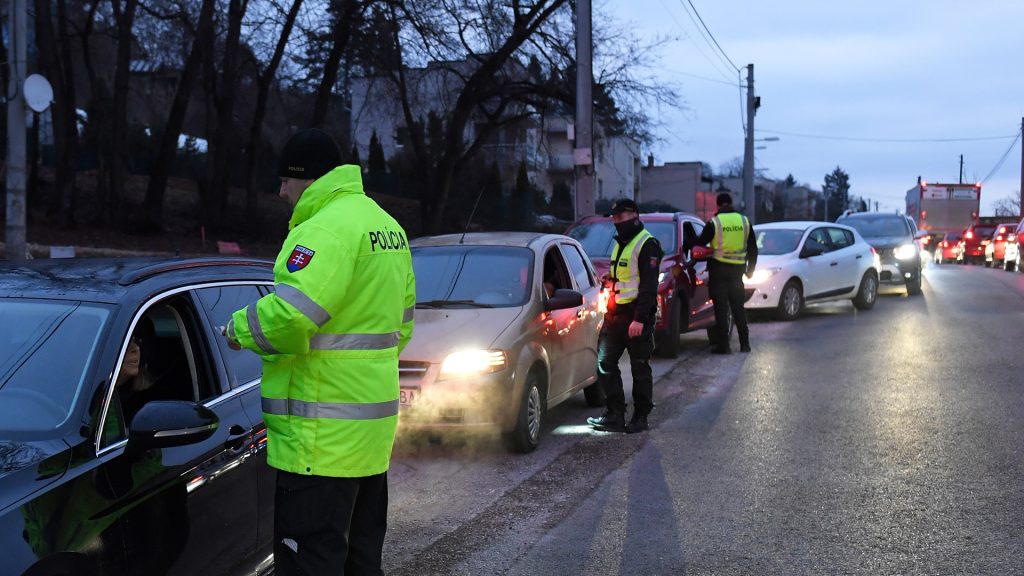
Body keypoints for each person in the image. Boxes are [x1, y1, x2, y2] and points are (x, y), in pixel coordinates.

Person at [223, 128, 416, 575]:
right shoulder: (388, 229)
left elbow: (290, 319)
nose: (280, 191)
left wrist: (237, 329)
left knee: (310, 565)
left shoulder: (325, 230)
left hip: (319, 446)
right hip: (368, 444)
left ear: (304, 178)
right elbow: (401, 329)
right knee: (360, 562)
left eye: (284, 181)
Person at [586, 198, 663, 434]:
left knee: (640, 367)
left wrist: (639, 319)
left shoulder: (647, 244)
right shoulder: (621, 243)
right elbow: (625, 275)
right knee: (605, 362)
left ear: (634, 216)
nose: (617, 222)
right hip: (615, 313)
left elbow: (649, 286)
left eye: (621, 218)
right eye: (615, 219)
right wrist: (611, 281)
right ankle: (614, 414)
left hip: (635, 315)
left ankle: (641, 417)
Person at [685, 192, 758, 354]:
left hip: (719, 272)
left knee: (721, 309)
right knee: (738, 308)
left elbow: (700, 242)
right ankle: (745, 345)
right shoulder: (744, 222)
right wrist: (750, 270)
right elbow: (753, 248)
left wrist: (687, 243)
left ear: (718, 205)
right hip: (737, 272)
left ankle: (724, 346)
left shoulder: (715, 223)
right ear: (731, 204)